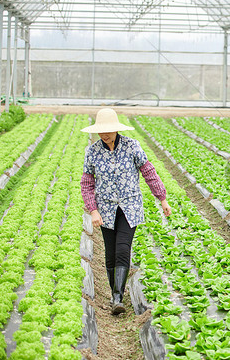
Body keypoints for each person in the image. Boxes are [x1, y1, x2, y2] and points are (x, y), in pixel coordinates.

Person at [80, 108, 172, 315]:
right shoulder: (92, 152)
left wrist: (162, 199)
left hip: (129, 207)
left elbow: (148, 172)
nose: (105, 134)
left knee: (123, 248)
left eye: (109, 130)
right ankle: (115, 293)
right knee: (110, 253)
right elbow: (87, 184)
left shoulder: (132, 146)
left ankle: (117, 297)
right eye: (101, 131)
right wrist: (93, 211)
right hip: (105, 208)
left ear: (116, 129)